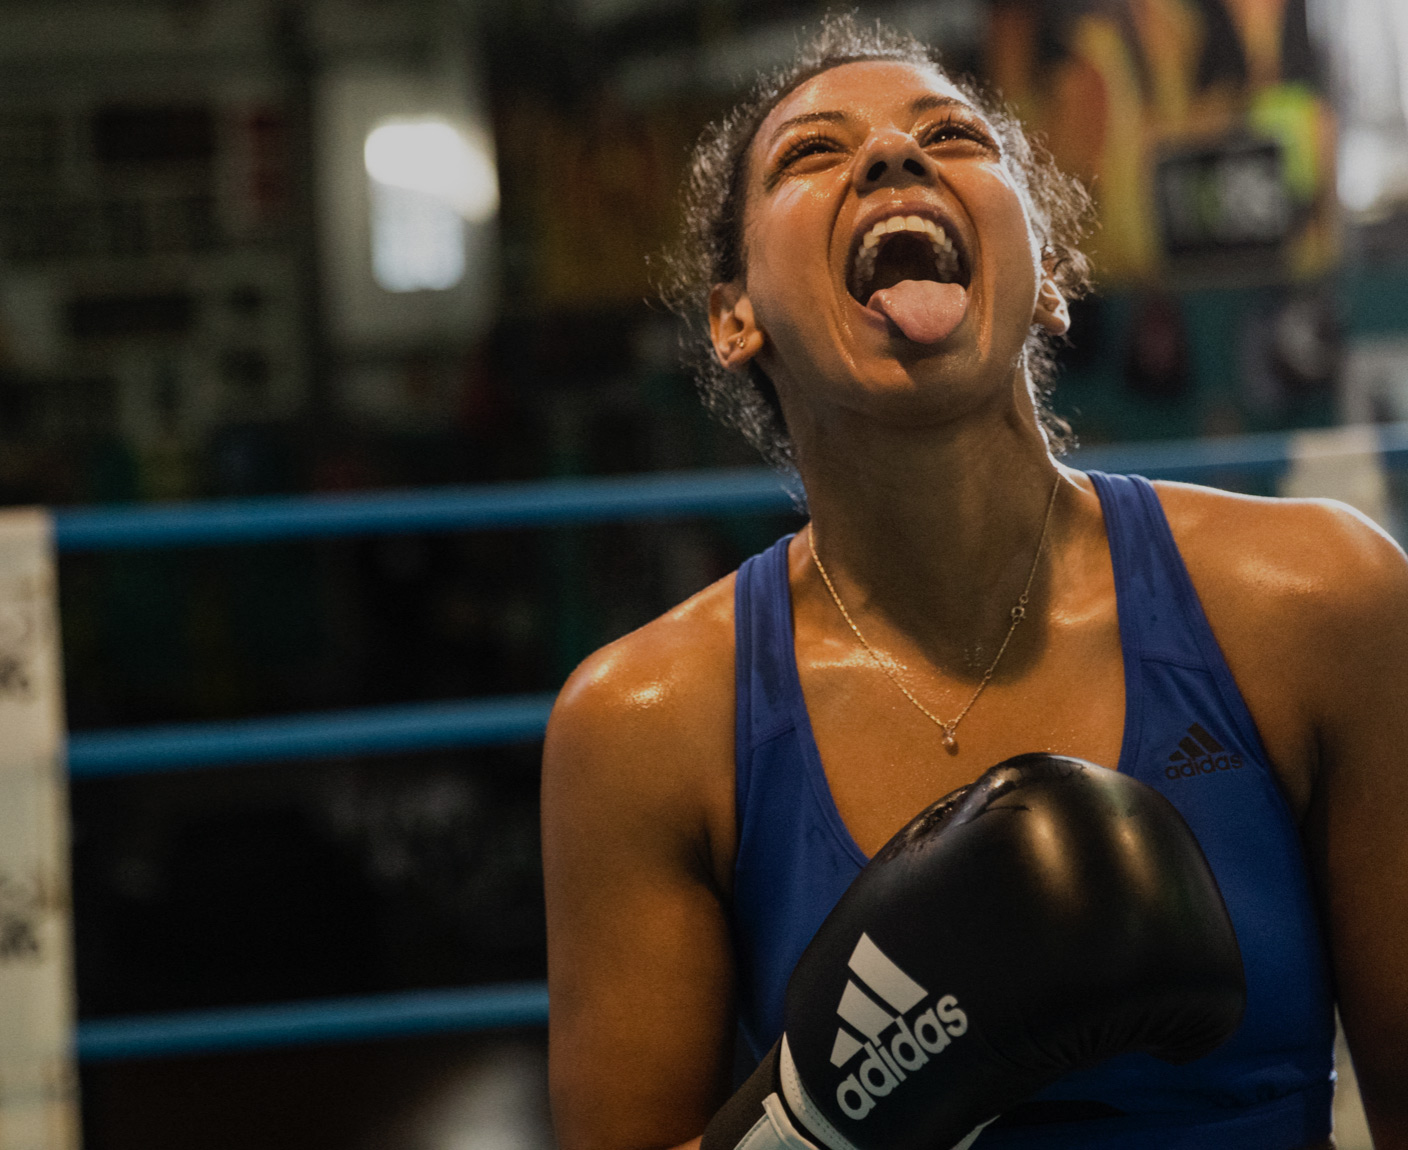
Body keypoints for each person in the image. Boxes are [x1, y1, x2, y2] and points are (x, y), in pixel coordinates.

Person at [540, 17, 1406, 1150]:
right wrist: (822, 1111)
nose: (895, 158)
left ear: (1048, 277)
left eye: (952, 135)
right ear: (733, 314)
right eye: (812, 154)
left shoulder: (1321, 601)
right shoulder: (647, 725)